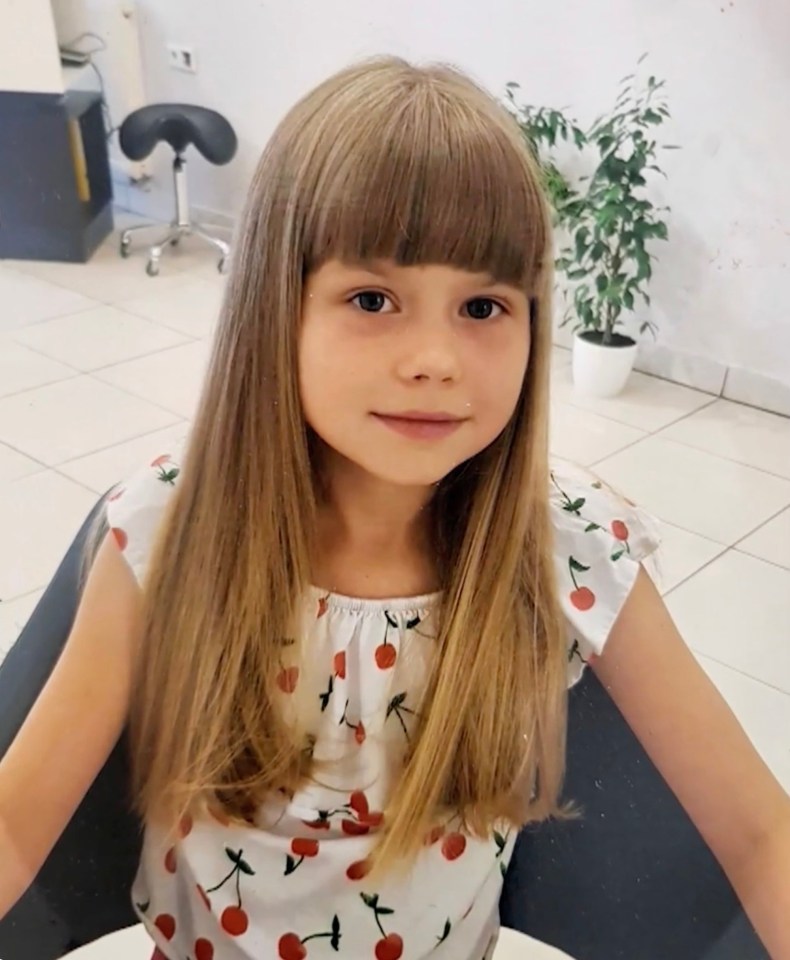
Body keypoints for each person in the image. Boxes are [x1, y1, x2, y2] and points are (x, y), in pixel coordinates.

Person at [1, 56, 788, 960]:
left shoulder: (567, 547)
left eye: (484, 307)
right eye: (373, 299)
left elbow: (761, 832)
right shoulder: (170, 529)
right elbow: (18, 822)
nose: (435, 360)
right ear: (275, 308)